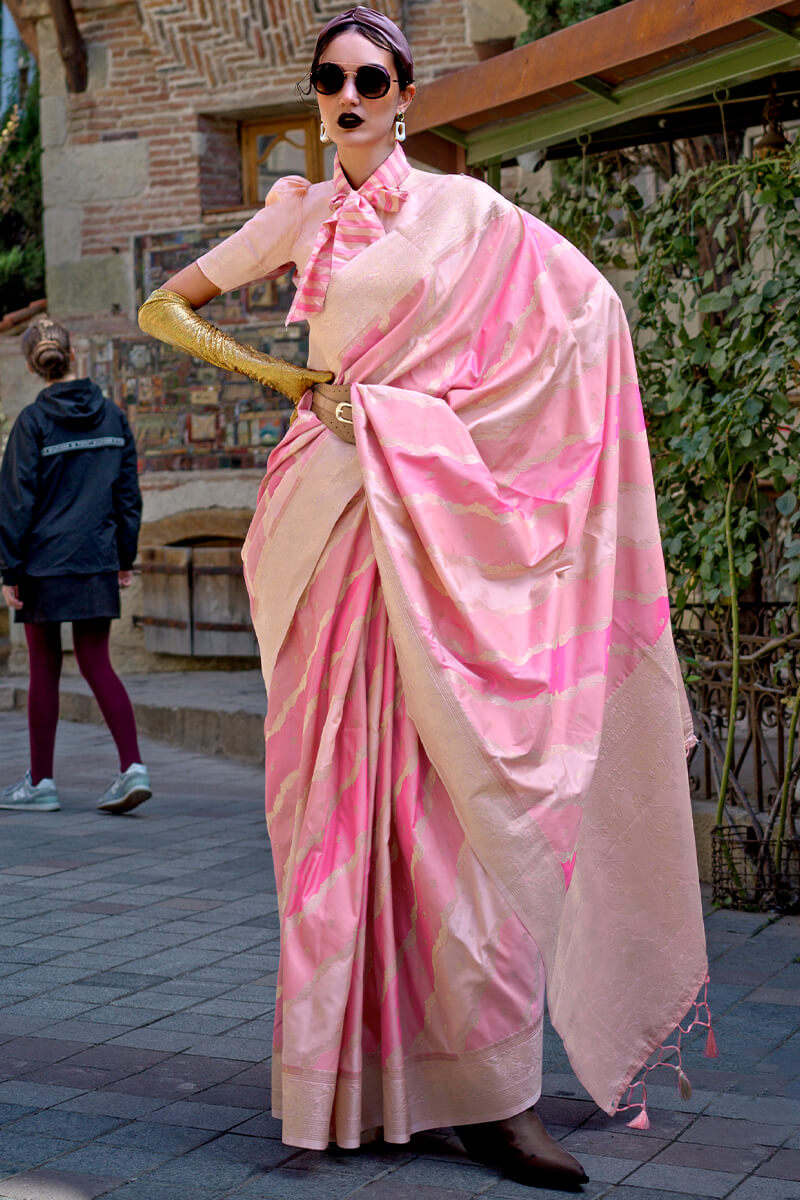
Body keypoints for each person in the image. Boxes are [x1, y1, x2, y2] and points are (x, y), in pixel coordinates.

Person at [138, 6, 708, 1188]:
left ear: (404, 97)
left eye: (370, 79)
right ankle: (362, 1084)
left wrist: (466, 429)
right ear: (317, 96)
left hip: (438, 529)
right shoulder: (296, 215)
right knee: (336, 811)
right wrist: (293, 380)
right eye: (330, 79)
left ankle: (495, 1099)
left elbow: (586, 311)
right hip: (329, 524)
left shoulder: (466, 213)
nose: (348, 96)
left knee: (455, 807)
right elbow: (162, 308)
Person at [0, 317, 151, 816]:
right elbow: (127, 496)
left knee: (44, 668)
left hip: (43, 563)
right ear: (73, 354)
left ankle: (40, 783)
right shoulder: (113, 417)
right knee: (96, 662)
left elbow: (16, 500)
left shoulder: (32, 422)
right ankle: (133, 767)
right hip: (95, 557)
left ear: (31, 366)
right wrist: (123, 557)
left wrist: (9, 570)